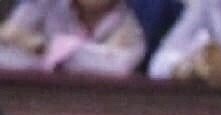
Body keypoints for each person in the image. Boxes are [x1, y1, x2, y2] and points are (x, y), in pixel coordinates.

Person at [0, 0, 145, 75]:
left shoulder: (132, 22)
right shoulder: (44, 4)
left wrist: (44, 48)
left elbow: (117, 67)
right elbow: (8, 44)